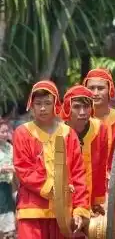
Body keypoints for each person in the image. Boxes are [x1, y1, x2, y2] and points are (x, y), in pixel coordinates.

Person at [14, 81, 91, 237]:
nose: (43, 108)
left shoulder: (69, 133)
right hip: (32, 210)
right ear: (32, 105)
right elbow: (24, 169)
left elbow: (78, 174)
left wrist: (80, 209)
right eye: (38, 103)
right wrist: (52, 188)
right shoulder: (22, 133)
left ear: (55, 104)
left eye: (47, 103)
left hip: (63, 214)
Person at [61, 85, 109, 215]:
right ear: (67, 107)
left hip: (90, 196)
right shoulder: (57, 131)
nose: (82, 112)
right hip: (63, 198)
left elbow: (101, 168)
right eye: (76, 107)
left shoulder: (100, 129)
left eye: (86, 107)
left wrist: (98, 200)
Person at [83, 68, 115, 170]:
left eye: (100, 88)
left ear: (110, 90)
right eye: (91, 88)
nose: (95, 93)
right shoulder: (78, 118)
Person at [0, 123, 15, 238]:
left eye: (7, 132)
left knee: (9, 208)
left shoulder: (10, 147)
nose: (5, 134)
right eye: (2, 132)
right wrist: (3, 169)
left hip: (9, 183)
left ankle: (8, 233)